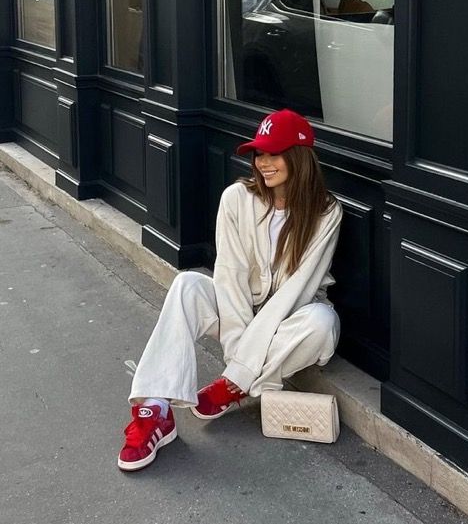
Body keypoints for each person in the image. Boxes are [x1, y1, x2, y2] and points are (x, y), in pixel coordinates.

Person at [118, 108, 343, 471]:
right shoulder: (237, 198)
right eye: (259, 154)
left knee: (322, 323)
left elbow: (297, 290)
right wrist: (239, 353)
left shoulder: (326, 212)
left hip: (291, 319)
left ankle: (235, 387)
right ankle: (155, 410)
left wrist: (237, 373)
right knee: (188, 284)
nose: (263, 163)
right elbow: (230, 275)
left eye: (274, 153)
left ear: (298, 157)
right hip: (241, 312)